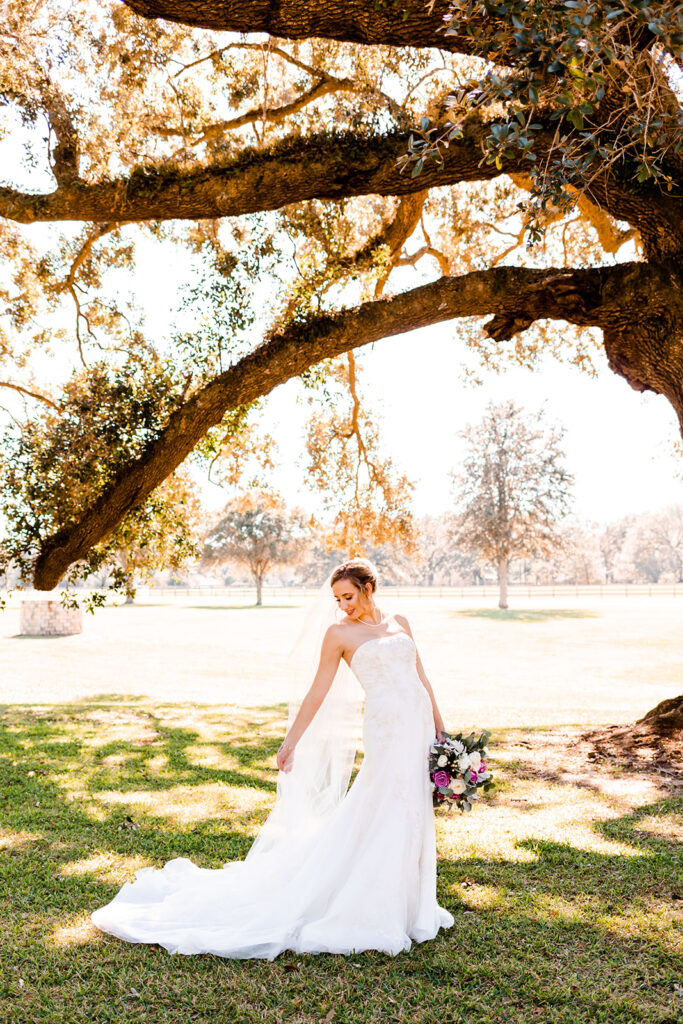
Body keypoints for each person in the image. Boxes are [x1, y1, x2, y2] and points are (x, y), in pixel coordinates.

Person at [91, 558, 454, 958]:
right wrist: (290, 742)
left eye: (348, 596)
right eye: (337, 599)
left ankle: (410, 903)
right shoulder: (339, 633)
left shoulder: (401, 620)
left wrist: (441, 730)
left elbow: (422, 677)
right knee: (385, 803)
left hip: (418, 726)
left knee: (413, 806)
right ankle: (372, 904)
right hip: (386, 728)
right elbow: (317, 692)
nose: (343, 606)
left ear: (369, 588)